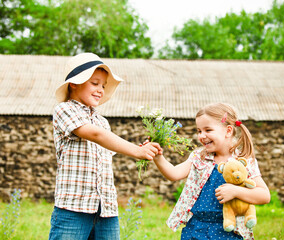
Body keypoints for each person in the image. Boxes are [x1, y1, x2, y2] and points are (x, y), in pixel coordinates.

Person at [49, 52, 161, 240]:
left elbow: (108, 147)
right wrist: (136, 151)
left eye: (103, 85)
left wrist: (143, 148)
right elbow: (95, 135)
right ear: (74, 83)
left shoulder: (102, 121)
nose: (100, 89)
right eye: (95, 83)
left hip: (106, 209)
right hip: (73, 207)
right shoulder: (64, 109)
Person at [152, 103, 270, 240]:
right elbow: (174, 174)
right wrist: (158, 157)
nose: (201, 136)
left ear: (228, 131)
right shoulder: (198, 157)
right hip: (196, 227)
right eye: (199, 131)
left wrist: (236, 191)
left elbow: (264, 195)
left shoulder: (243, 161)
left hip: (228, 229)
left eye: (208, 130)